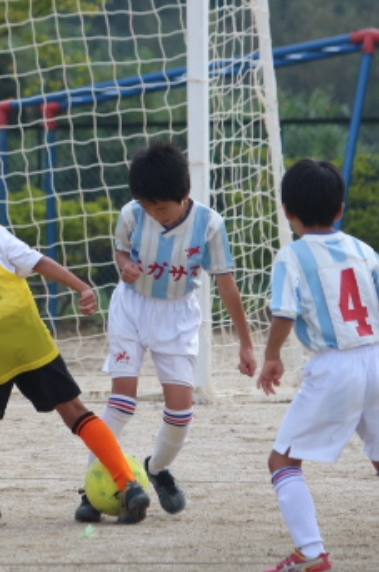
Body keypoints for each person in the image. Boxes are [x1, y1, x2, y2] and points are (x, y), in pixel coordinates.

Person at [0, 178, 150, 527]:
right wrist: (82, 287)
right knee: (74, 412)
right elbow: (39, 262)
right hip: (27, 339)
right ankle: (128, 484)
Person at [257, 158, 379, 572]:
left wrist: (272, 356)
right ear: (340, 209)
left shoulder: (292, 256)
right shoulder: (360, 248)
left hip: (334, 365)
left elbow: (283, 314)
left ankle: (311, 553)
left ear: (287, 211)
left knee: (282, 461)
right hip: (377, 361)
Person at [76, 140, 257, 522]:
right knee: (122, 401)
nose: (154, 215)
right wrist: (124, 265)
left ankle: (156, 470)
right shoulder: (132, 214)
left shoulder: (210, 225)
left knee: (180, 413)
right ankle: (93, 488)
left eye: (161, 209)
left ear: (184, 194)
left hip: (177, 317)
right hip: (131, 308)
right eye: (147, 207)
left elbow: (227, 286)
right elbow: (121, 250)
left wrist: (246, 343)